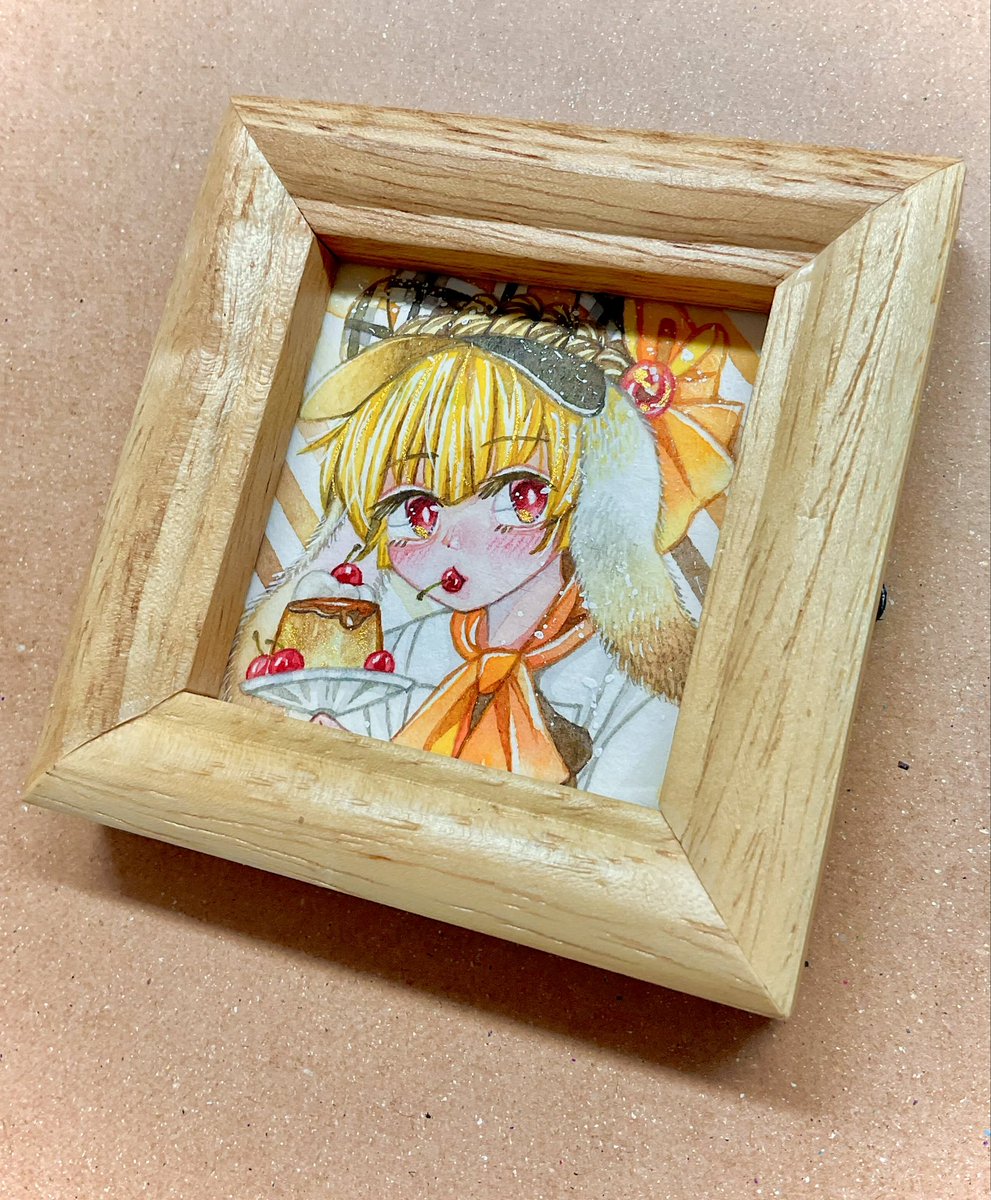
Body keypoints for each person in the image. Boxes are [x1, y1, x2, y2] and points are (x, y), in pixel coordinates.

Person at [232, 295, 711, 808]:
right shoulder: (407, 649)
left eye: (518, 496)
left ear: (590, 494)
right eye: (416, 509)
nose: (453, 540)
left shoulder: (630, 680)